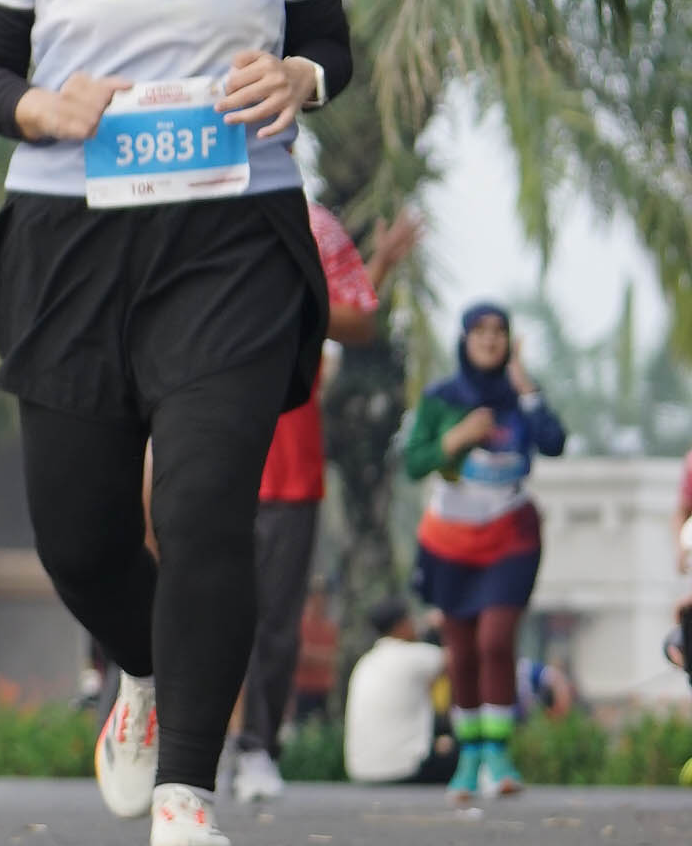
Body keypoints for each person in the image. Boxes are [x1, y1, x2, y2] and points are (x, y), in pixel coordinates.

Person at [0, 0, 353, 846]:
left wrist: (296, 77)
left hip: (230, 236)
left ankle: (187, 796)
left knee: (199, 503)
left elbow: (330, 45)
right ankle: (139, 667)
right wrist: (37, 108)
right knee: (77, 537)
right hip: (71, 238)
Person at [231, 202, 417, 801]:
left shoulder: (307, 243)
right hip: (214, 465)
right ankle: (189, 744)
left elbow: (354, 318)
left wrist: (377, 266)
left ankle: (258, 748)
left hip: (289, 473)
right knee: (207, 612)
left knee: (275, 622)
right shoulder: (208, 227)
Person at [404, 306, 567, 800]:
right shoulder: (441, 397)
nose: (490, 340)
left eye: (499, 332)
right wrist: (457, 437)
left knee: (496, 640)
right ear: (464, 340)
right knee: (462, 652)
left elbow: (554, 442)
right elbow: (414, 461)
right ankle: (469, 755)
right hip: (450, 541)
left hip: (510, 537)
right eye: (480, 332)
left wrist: (526, 386)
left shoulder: (521, 398)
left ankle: (499, 754)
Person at [343, 593, 456, 786]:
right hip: (406, 770)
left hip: (361, 771)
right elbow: (458, 658)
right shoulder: (414, 655)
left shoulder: (365, 661)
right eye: (411, 619)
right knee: (470, 750)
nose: (416, 624)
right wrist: (446, 625)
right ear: (400, 625)